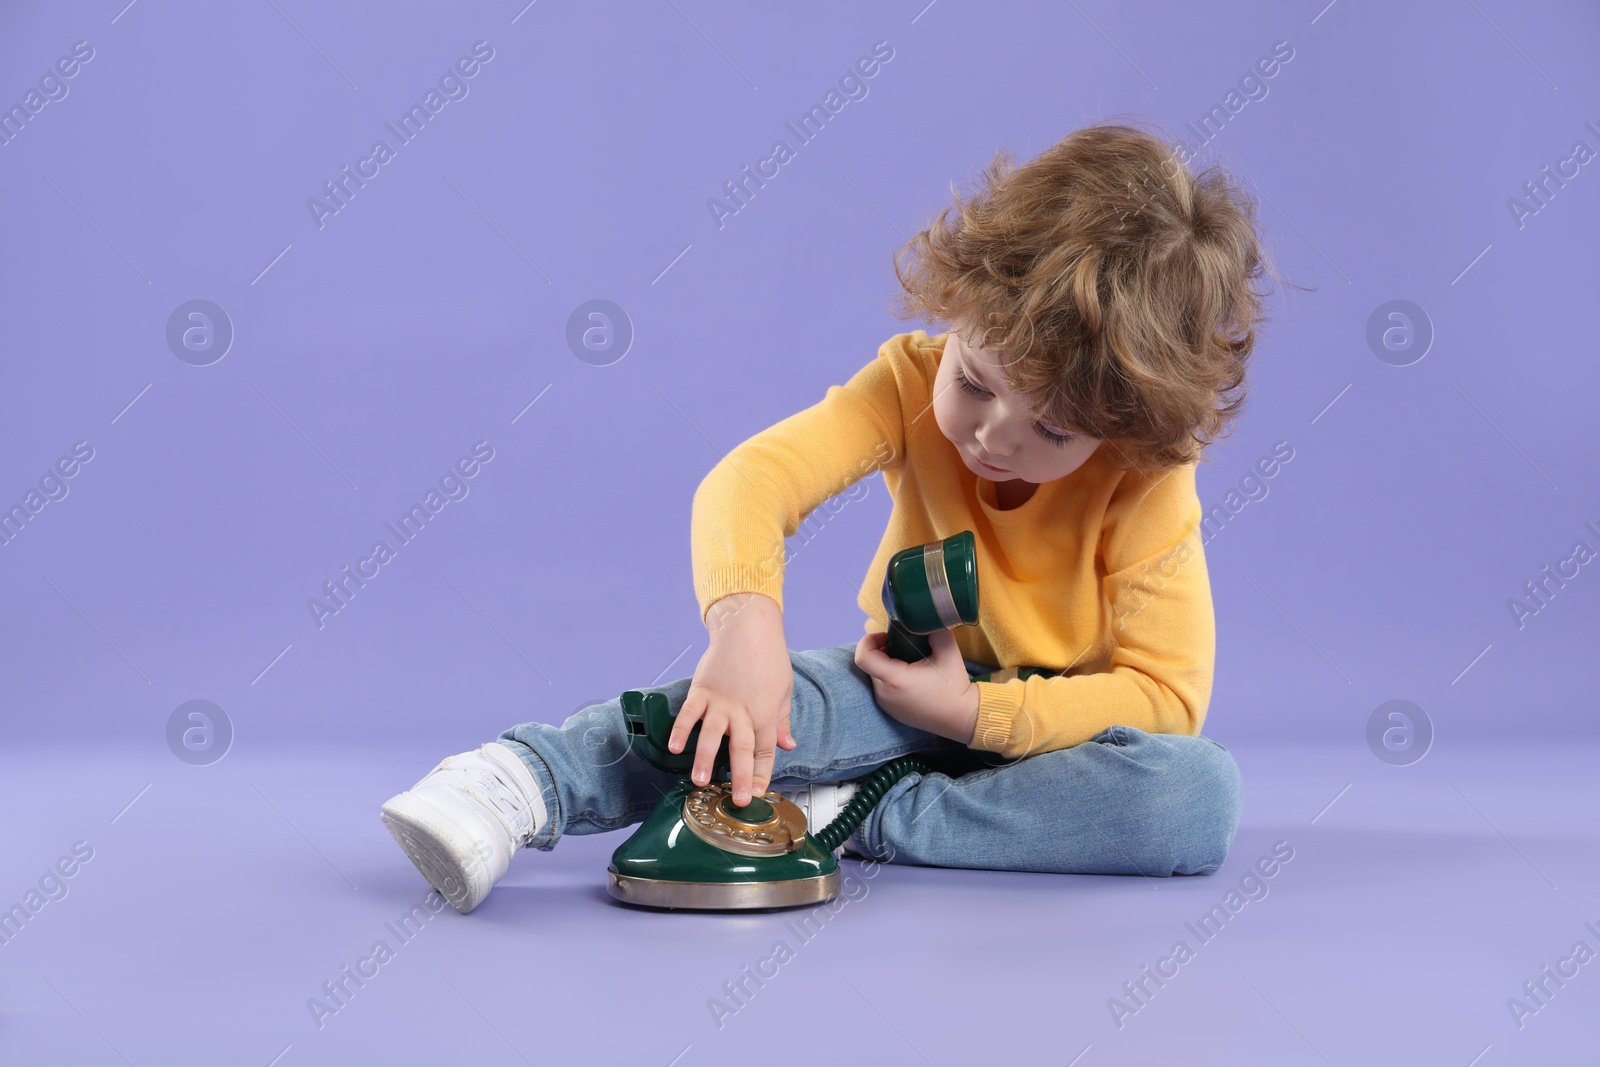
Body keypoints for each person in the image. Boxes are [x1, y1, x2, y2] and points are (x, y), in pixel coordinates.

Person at [381, 117, 1290, 914]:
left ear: (1127, 427)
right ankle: (524, 779)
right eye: (974, 382)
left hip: (1060, 735)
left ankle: (848, 812)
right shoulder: (906, 381)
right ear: (962, 308)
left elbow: (1168, 697)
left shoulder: (1145, 476)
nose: (992, 437)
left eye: (1052, 428)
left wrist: (981, 714)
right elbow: (751, 479)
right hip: (898, 690)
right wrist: (745, 627)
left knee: (1195, 798)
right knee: (753, 711)